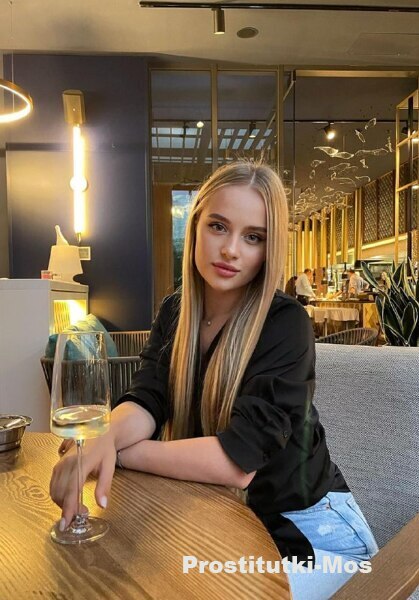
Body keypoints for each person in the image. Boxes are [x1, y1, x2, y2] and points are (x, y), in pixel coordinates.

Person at [50, 161, 378, 600]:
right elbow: (148, 397)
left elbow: (236, 463)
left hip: (317, 538)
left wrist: (119, 452)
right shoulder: (176, 311)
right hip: (234, 521)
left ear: (270, 248)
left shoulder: (285, 323)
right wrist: (102, 437)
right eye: (219, 227)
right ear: (196, 225)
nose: (231, 250)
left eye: (253, 237)